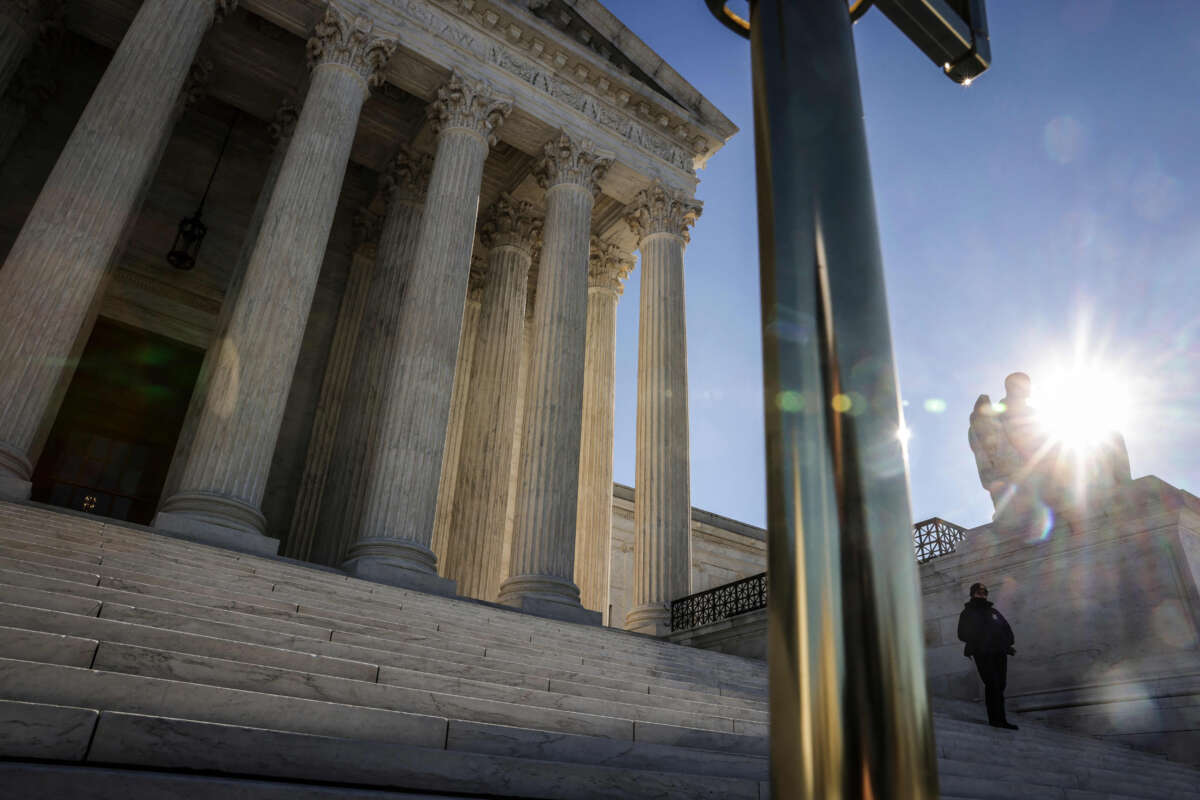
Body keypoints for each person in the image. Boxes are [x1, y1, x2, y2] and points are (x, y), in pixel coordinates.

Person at [957, 582, 1018, 730]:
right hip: (983, 653)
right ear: (973, 594)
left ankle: (1001, 719)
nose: (982, 594)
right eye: (979, 592)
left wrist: (1006, 643)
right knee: (992, 684)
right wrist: (981, 641)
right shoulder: (968, 613)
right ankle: (995, 719)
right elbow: (962, 634)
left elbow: (1006, 629)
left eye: (984, 592)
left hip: (999, 652)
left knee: (1001, 684)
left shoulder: (993, 612)